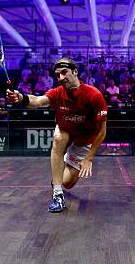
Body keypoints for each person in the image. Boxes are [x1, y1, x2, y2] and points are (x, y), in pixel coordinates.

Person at [6, 58, 108, 213]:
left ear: (75, 71)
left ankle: (60, 178)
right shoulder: (58, 92)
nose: (60, 78)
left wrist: (89, 158)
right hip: (66, 132)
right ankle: (58, 195)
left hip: (84, 141)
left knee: (67, 183)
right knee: (59, 138)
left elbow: (102, 132)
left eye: (64, 72)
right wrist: (21, 98)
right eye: (57, 75)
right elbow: (38, 101)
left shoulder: (94, 95)